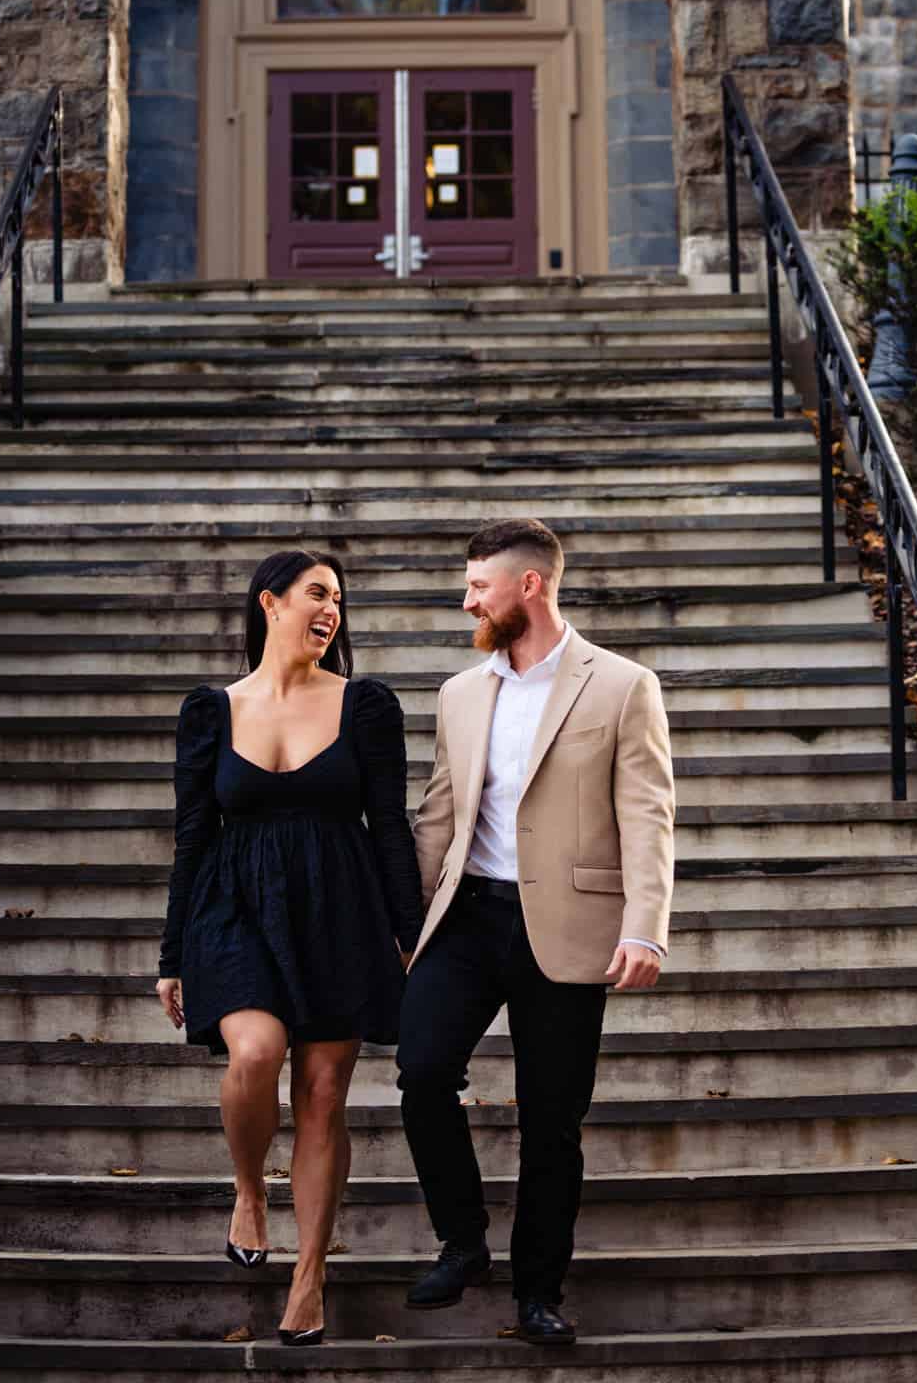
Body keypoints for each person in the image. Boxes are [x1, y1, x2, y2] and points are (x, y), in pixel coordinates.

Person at [398, 517, 675, 1345]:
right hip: (468, 919)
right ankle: (462, 1242)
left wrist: (645, 927)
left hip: (569, 925)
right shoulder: (459, 692)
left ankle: (537, 1292)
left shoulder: (621, 684)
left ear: (530, 586)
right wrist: (406, 924)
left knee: (551, 1120)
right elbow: (439, 813)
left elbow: (648, 813)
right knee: (421, 1071)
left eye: (477, 586)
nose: (466, 600)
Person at [155, 549, 423, 1346]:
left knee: (322, 1093)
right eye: (316, 594)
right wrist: (172, 953)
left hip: (340, 905)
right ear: (269, 603)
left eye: (338, 599)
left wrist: (408, 936)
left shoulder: (366, 705)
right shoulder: (210, 710)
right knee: (255, 1052)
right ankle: (246, 1187)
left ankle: (310, 1275)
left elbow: (390, 828)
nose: (330, 610)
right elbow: (192, 834)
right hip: (233, 904)